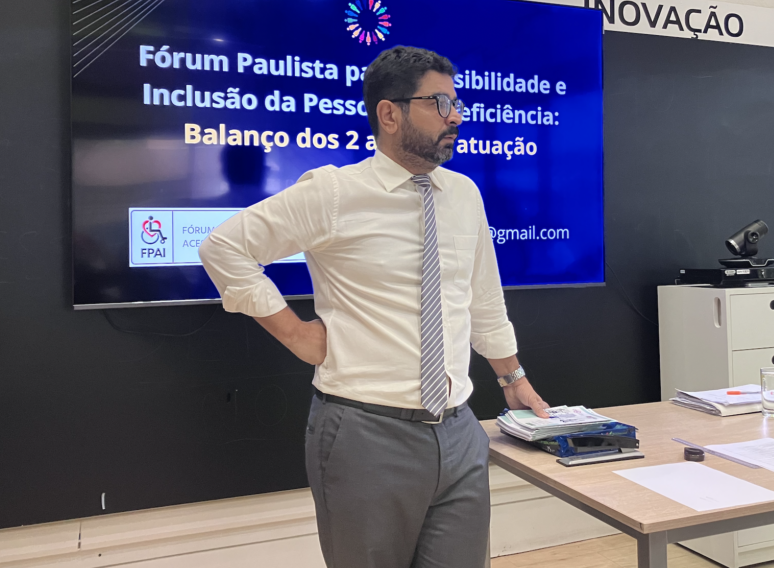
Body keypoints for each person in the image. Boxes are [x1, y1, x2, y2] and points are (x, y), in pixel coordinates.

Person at [198, 45, 550, 568]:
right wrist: (296, 334)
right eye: (439, 103)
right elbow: (224, 247)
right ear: (390, 113)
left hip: (459, 432)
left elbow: (483, 300)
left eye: (457, 104)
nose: (456, 117)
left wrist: (512, 377)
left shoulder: (464, 194)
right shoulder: (336, 192)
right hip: (365, 434)